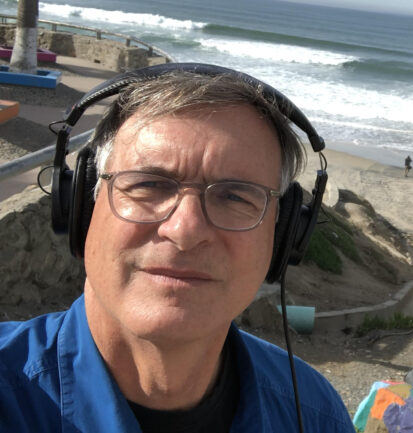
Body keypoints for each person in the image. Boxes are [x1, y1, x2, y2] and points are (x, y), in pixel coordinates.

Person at [0, 65, 353, 432]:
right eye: (150, 184)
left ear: (281, 238)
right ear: (81, 210)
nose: (185, 230)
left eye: (234, 196)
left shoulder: (314, 414)